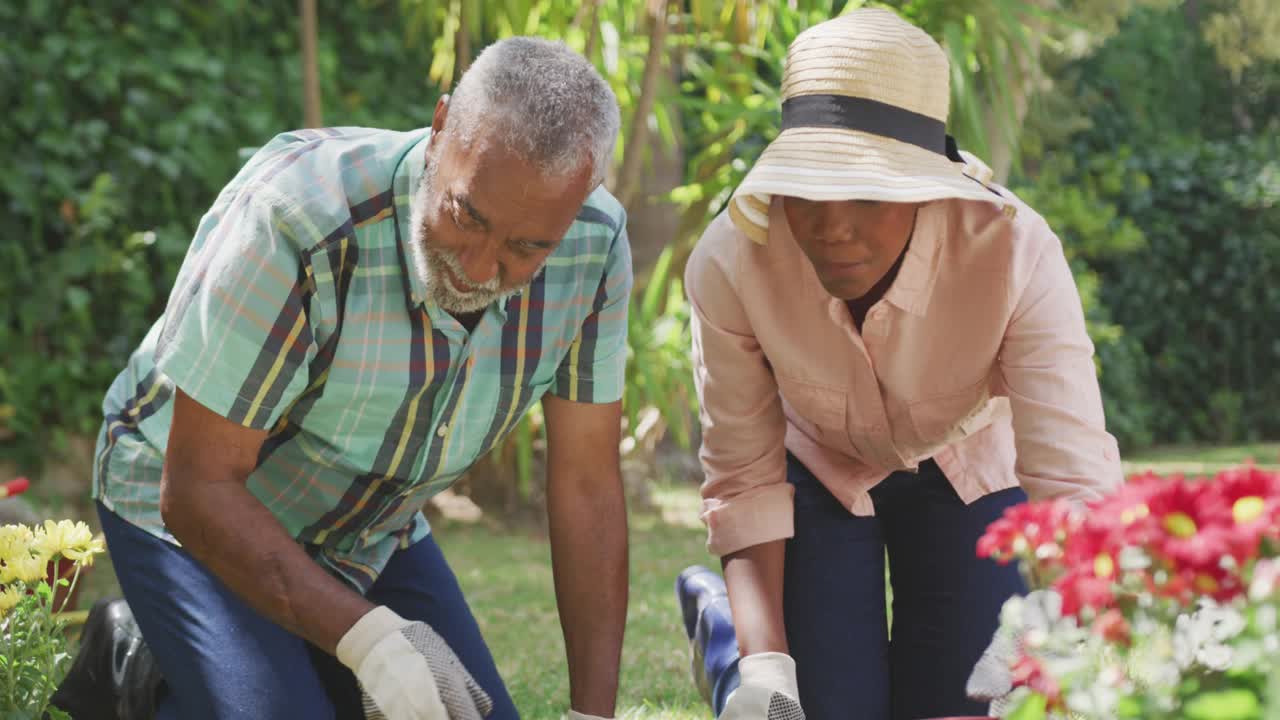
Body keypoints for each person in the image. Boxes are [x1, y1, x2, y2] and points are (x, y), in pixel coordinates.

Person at [75, 37, 630, 720]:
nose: (481, 270)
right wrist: (367, 639)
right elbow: (196, 488)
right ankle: (131, 665)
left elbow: (586, 482)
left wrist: (592, 716)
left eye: (526, 248)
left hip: (366, 524)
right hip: (187, 500)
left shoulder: (597, 246)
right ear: (438, 129)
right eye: (466, 217)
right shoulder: (297, 217)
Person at [682, 9, 1124, 720]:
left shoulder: (1016, 254)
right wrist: (767, 667)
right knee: (812, 707)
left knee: (967, 704)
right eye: (808, 188)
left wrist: (1070, 630)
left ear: (926, 186)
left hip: (967, 463)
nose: (832, 226)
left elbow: (1071, 479)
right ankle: (727, 641)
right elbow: (743, 479)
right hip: (818, 468)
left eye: (866, 189)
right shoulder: (732, 260)